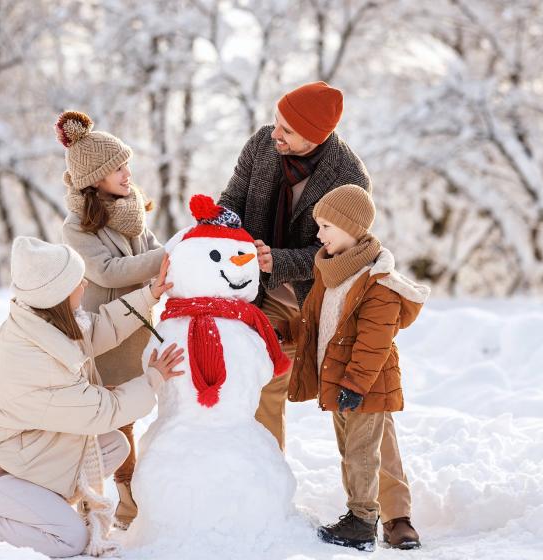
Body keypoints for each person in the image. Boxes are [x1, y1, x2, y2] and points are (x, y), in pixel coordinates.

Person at [217, 82, 420, 539]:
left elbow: (345, 250)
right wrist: (220, 227)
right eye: (278, 122)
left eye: (288, 129)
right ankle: (263, 494)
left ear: (316, 134)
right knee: (261, 383)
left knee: (366, 404)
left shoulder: (349, 177)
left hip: (326, 296)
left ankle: (395, 513)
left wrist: (281, 258)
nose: (276, 134)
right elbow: (232, 198)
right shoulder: (261, 144)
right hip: (265, 289)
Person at [0, 236, 184, 559]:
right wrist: (152, 379)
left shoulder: (44, 324)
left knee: (115, 445)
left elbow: (98, 330)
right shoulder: (34, 363)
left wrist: (149, 295)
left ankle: (51, 509)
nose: (83, 283)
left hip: (27, 451)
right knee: (70, 540)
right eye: (74, 281)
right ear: (55, 294)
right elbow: (102, 412)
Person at [288, 185, 429, 550]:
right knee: (351, 453)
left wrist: (355, 383)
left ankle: (364, 521)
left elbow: (374, 342)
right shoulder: (332, 272)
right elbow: (316, 321)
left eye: (326, 226)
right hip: (338, 383)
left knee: (363, 453)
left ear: (351, 228)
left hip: (363, 385)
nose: (318, 235)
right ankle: (359, 516)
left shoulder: (377, 283)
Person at [57, 110, 165, 528]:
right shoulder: (77, 227)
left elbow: (150, 252)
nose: (127, 174)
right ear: (95, 176)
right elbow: (110, 272)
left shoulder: (130, 211)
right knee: (118, 421)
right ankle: (122, 504)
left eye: (126, 165)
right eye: (117, 168)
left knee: (135, 415)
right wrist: (166, 258)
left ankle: (135, 499)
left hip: (140, 326)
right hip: (108, 334)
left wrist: (171, 258)